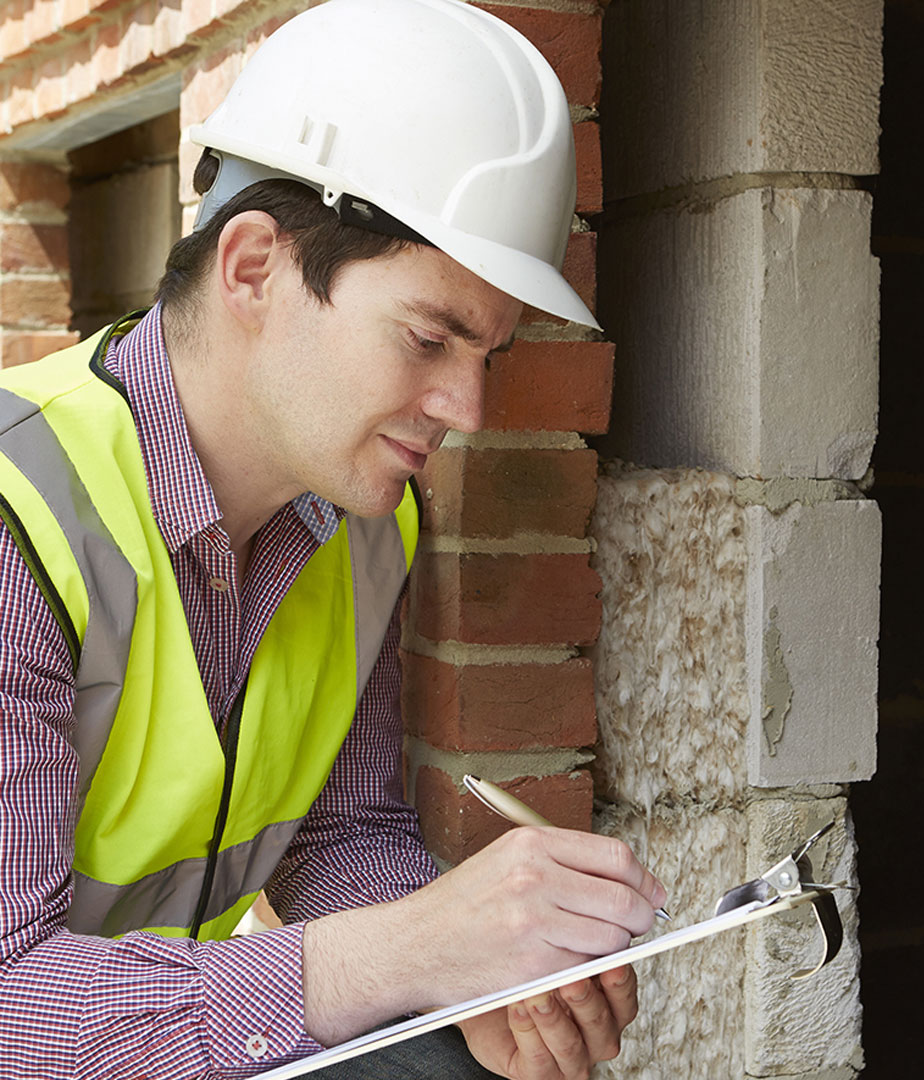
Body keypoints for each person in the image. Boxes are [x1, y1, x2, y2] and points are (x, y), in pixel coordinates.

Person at [0, 1, 668, 1078]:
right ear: (255, 266)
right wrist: (408, 949)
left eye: (487, 354)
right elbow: (9, 1006)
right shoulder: (15, 509)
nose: (468, 407)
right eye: (428, 337)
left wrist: (471, 979)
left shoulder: (364, 526)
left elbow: (338, 836)